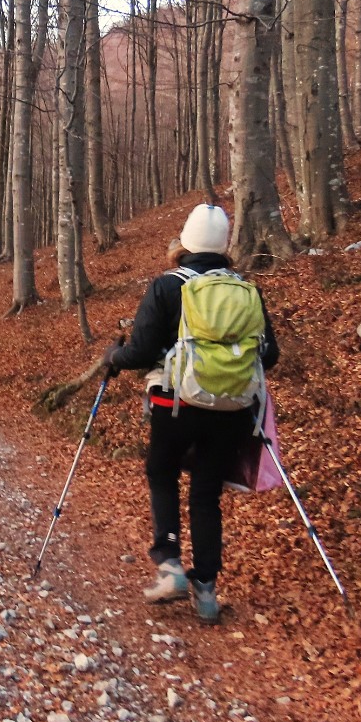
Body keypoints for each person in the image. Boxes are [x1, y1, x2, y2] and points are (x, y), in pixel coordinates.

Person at [100, 204, 279, 623]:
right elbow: (268, 355)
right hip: (232, 409)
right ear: (224, 245)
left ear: (185, 240)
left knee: (161, 471)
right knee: (206, 493)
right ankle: (207, 592)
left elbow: (142, 351)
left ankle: (169, 564)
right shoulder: (245, 290)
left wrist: (115, 356)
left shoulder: (167, 286)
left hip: (175, 403)